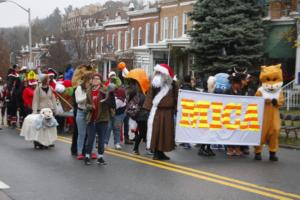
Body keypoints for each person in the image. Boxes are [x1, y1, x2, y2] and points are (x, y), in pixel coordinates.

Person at [144, 64, 178, 160]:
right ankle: (156, 152)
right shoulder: (155, 84)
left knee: (166, 133)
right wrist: (147, 109)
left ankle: (161, 152)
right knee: (156, 132)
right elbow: (150, 96)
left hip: (168, 113)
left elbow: (177, 97)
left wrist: (177, 109)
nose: (158, 74)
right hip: (157, 112)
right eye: (157, 72)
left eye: (161, 72)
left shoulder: (173, 84)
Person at [84, 73, 116, 165]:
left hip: (102, 118)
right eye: (94, 78)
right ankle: (87, 156)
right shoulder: (89, 90)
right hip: (92, 118)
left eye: (97, 79)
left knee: (101, 139)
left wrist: (108, 99)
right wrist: (91, 106)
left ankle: (100, 158)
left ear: (101, 81)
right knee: (90, 139)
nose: (95, 80)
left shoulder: (105, 90)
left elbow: (111, 103)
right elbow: (86, 104)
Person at [123, 69, 150, 155]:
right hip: (141, 115)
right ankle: (144, 149)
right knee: (143, 133)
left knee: (143, 132)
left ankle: (140, 148)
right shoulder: (137, 91)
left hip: (139, 115)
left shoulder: (134, 89)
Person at [75, 73, 97, 160]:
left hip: (90, 112)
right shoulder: (79, 88)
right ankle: (80, 152)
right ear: (86, 80)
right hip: (81, 112)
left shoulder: (94, 88)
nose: (92, 81)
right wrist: (87, 95)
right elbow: (78, 101)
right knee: (82, 134)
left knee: (92, 133)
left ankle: (93, 152)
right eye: (90, 79)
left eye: (92, 80)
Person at [105, 75, 126, 150]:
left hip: (119, 112)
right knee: (108, 127)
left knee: (117, 127)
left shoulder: (121, 91)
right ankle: (105, 143)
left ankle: (117, 143)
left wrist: (111, 106)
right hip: (110, 112)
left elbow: (117, 104)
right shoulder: (108, 90)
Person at [225, 73, 244, 156]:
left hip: (237, 115)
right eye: (238, 84)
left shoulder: (240, 92)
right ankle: (230, 148)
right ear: (233, 84)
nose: (239, 86)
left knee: (238, 132)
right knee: (230, 132)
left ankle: (237, 148)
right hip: (229, 115)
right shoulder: (227, 91)